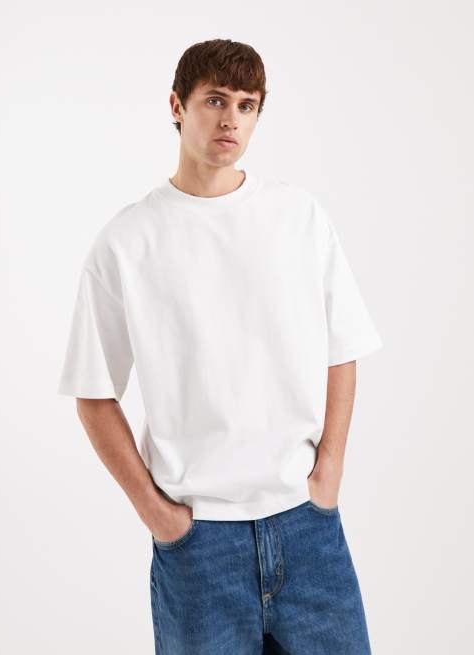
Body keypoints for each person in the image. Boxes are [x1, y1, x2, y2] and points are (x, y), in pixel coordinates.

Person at [58, 38, 382, 655]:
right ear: (177, 106)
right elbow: (93, 393)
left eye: (247, 105)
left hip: (307, 526)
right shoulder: (128, 241)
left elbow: (343, 348)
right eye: (215, 100)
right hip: (200, 544)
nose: (231, 118)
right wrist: (158, 515)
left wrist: (329, 473)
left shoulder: (299, 218)